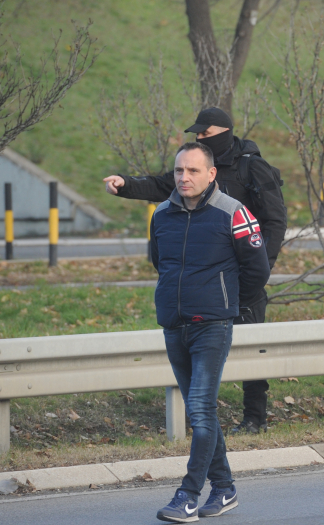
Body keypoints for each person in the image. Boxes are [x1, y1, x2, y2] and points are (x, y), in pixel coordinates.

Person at [104, 107, 286, 435]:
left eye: (206, 134)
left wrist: (261, 269)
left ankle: (254, 418)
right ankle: (199, 419)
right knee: (197, 351)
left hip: (245, 279)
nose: (200, 138)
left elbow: (275, 219)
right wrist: (125, 185)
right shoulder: (193, 170)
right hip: (203, 284)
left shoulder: (252, 168)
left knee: (252, 352)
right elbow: (161, 186)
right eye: (197, 135)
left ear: (225, 133)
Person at [151, 142, 270, 522]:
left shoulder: (233, 213)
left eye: (193, 171)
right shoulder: (162, 214)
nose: (184, 177)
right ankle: (224, 489)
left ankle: (187, 495)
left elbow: (257, 268)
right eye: (178, 171)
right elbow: (159, 262)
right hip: (174, 325)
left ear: (211, 174)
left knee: (201, 409)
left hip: (213, 326)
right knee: (200, 413)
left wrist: (226, 304)